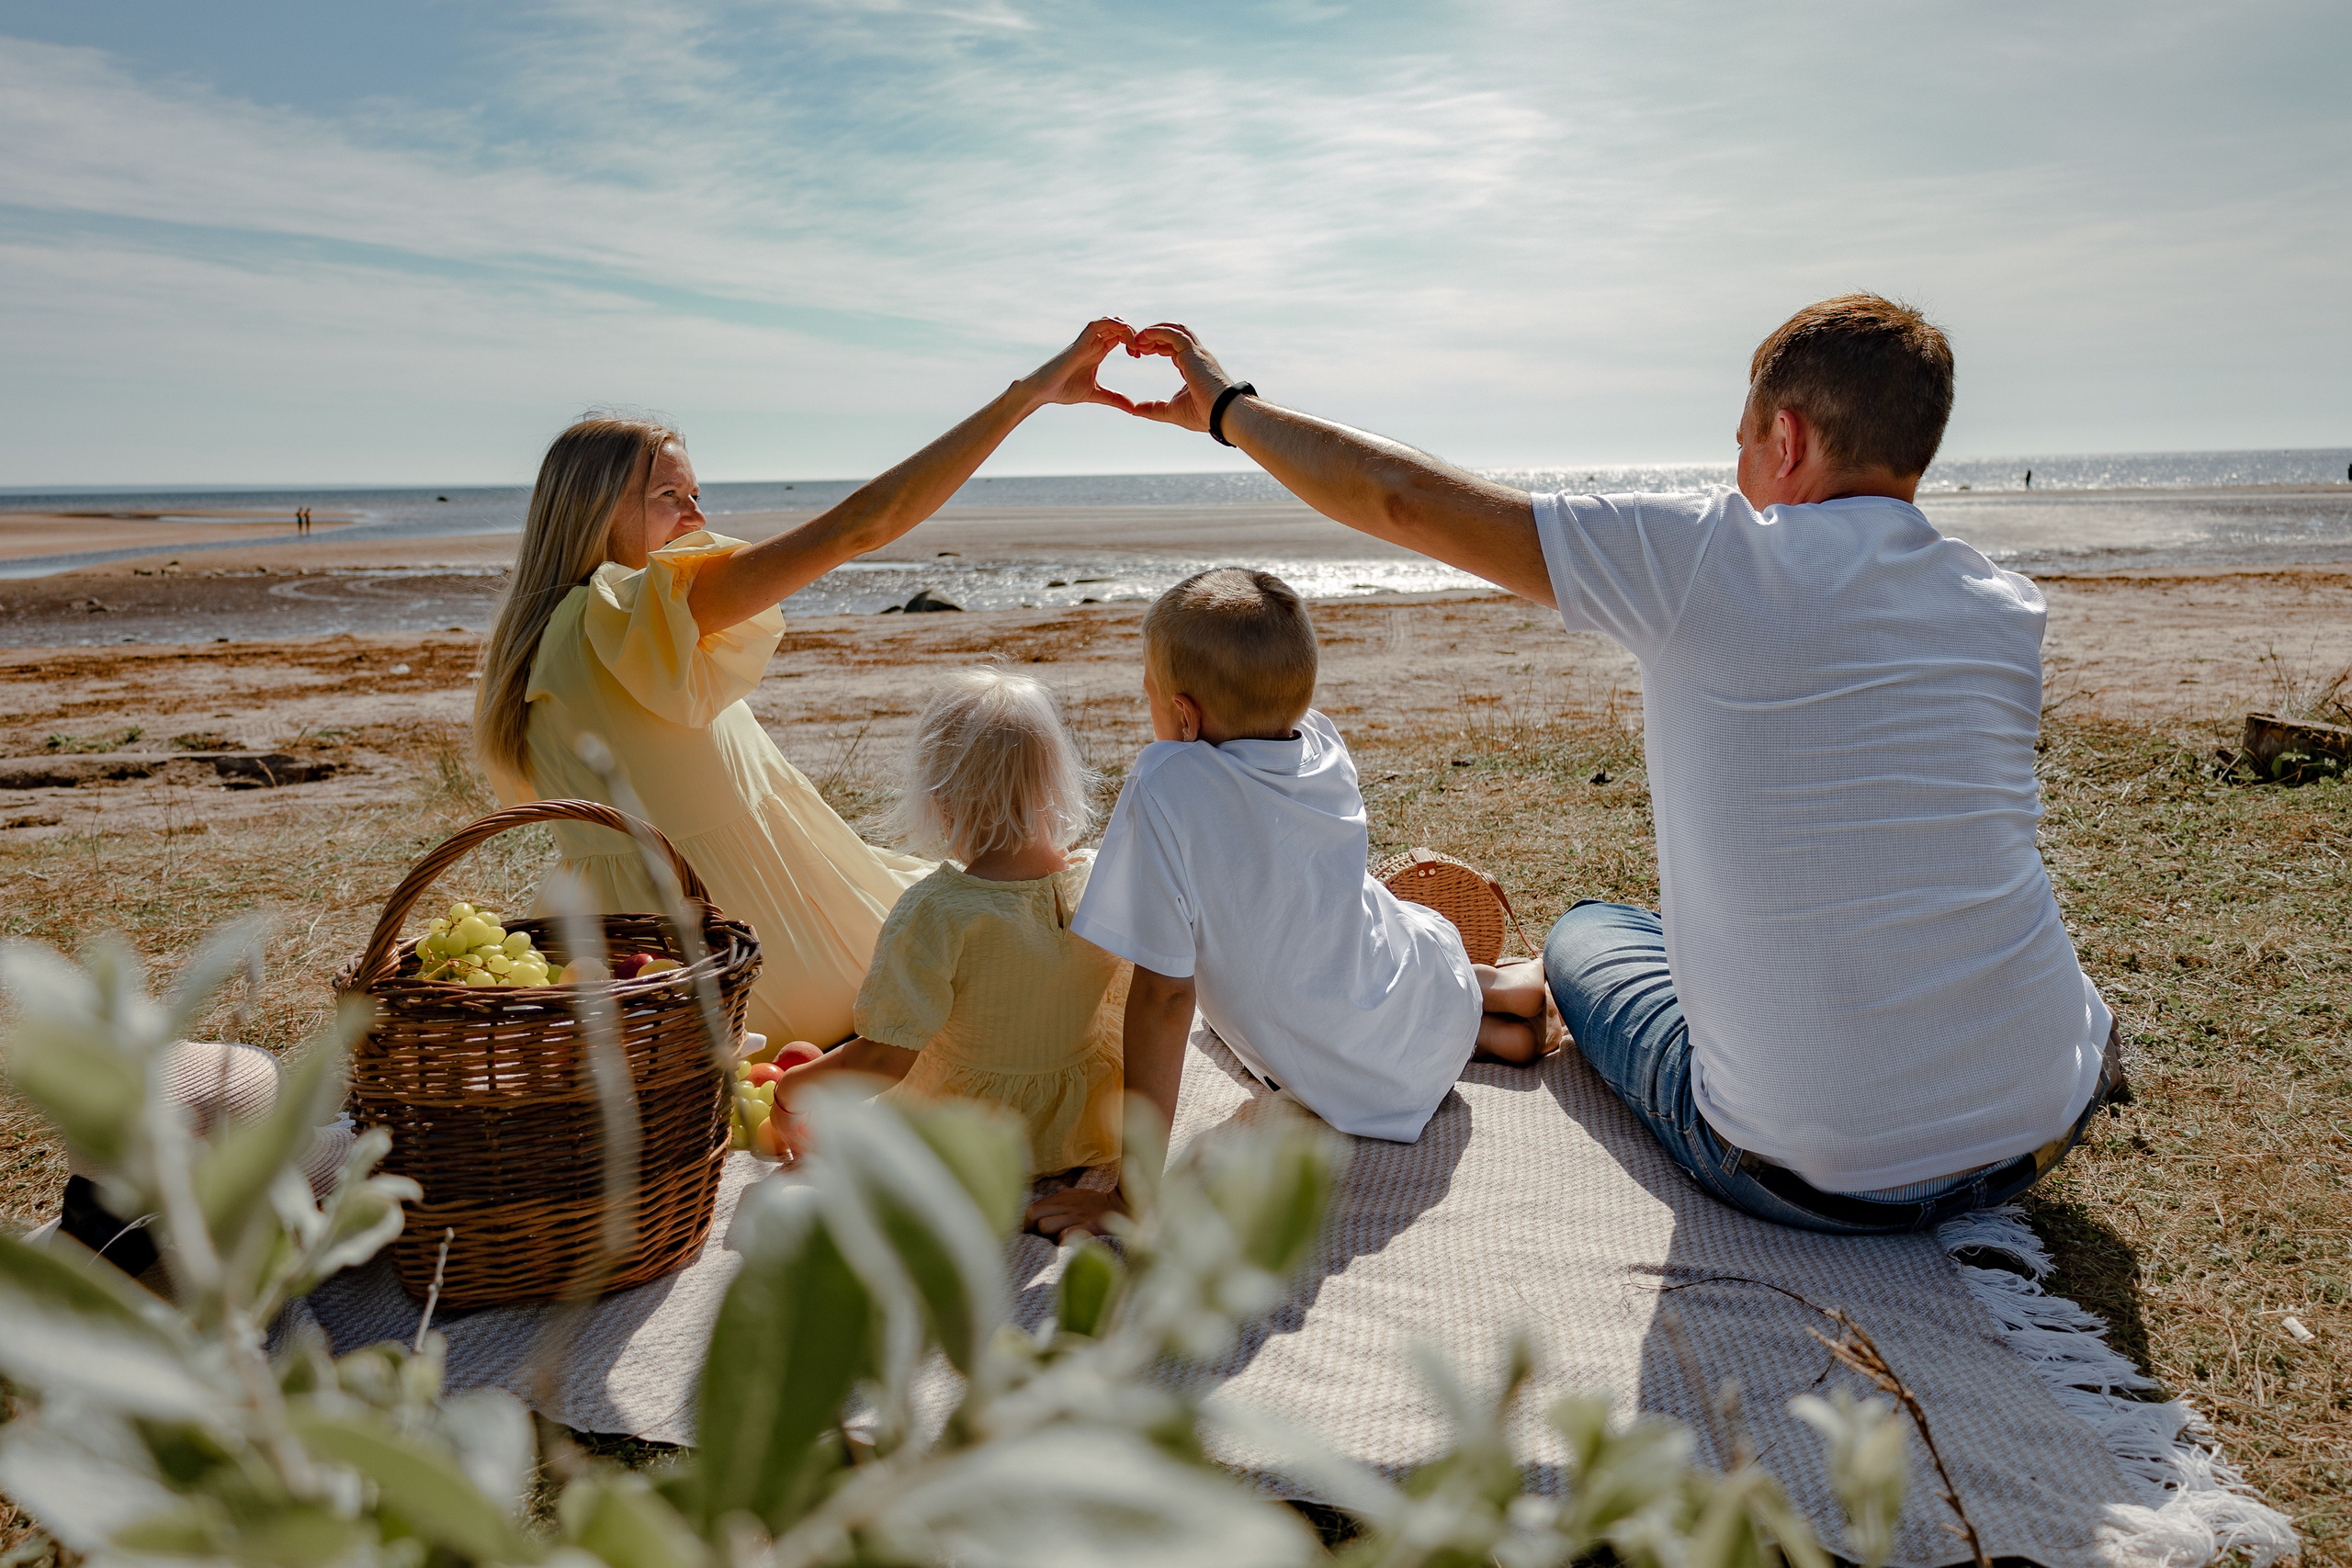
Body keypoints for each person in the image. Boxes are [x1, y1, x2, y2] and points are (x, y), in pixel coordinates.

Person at [1110, 296, 2122, 1235]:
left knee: (1588, 934)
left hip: (1805, 1172)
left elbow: (1400, 499)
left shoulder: (1711, 559)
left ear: (1787, 439)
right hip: (2035, 1121)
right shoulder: (2004, 606)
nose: (1738, 470)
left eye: (1742, 442)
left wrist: (1228, 409)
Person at [473, 320, 1140, 1046]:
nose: (698, 517)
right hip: (756, 959)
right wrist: (1024, 398)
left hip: (644, 971)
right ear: (595, 509)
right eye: (670, 495)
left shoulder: (545, 641)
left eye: (697, 493)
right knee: (1029, 934)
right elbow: (862, 526)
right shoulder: (621, 610)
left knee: (982, 902)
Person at [1030, 569, 1550, 1238]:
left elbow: (1163, 997)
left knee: (1300, 989)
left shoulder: (1166, 782)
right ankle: (1497, 991)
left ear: (1184, 715)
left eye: (1148, 692)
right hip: (1395, 987)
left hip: (1351, 1082)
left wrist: (1131, 1195)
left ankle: (1492, 1021)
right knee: (1354, 929)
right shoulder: (1322, 742)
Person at [771, 667, 1129, 1198]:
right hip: (1085, 1124)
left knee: (828, 1087)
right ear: (1057, 782)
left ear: (940, 798)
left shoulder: (937, 911)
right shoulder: (1100, 881)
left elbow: (883, 1059)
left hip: (967, 1136)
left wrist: (789, 1097)